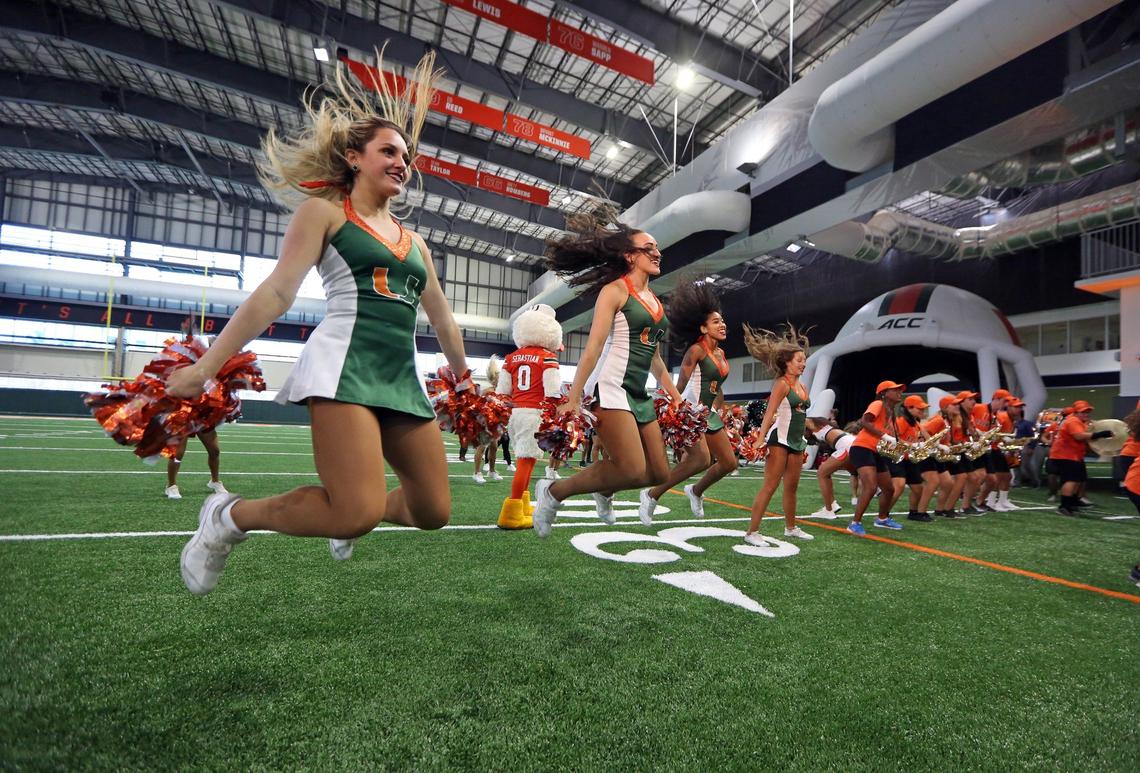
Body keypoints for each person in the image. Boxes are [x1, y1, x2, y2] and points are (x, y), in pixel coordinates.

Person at [167, 50, 471, 594]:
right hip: (343, 369)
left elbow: (442, 318)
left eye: (406, 156)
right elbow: (278, 292)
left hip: (400, 378)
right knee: (354, 511)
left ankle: (349, 514)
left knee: (433, 511)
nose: (402, 162)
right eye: (389, 151)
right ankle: (228, 517)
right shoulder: (324, 214)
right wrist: (208, 366)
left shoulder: (416, 242)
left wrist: (466, 381)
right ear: (355, 157)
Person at [531, 209, 683, 536]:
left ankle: (603, 488)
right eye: (649, 248)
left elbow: (655, 358)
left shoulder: (656, 302)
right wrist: (574, 398)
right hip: (612, 387)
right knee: (630, 467)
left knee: (657, 472)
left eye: (657, 248)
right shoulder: (615, 291)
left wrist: (676, 397)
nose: (657, 253)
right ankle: (553, 492)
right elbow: (595, 346)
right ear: (630, 256)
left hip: (640, 393)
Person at [639, 281, 738, 525]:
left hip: (709, 413)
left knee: (728, 463)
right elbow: (680, 385)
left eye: (722, 320)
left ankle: (695, 491)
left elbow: (717, 386)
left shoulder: (721, 354)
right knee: (700, 460)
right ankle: (651, 494)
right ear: (703, 328)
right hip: (691, 412)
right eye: (716, 322)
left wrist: (722, 410)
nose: (722, 324)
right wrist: (671, 410)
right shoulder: (696, 350)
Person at [741, 324, 815, 545]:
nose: (803, 363)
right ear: (787, 362)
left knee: (791, 487)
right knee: (770, 486)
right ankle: (752, 532)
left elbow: (801, 415)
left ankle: (790, 528)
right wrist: (760, 439)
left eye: (804, 360)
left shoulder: (801, 386)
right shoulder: (781, 385)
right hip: (779, 440)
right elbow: (770, 413)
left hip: (796, 441)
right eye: (799, 360)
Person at [495, 303, 563, 529]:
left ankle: (522, 506)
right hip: (534, 412)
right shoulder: (547, 358)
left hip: (516, 413)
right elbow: (553, 391)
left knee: (526, 459)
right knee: (526, 461)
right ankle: (511, 513)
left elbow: (502, 392)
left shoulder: (511, 358)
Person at [165, 316, 227, 500]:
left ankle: (214, 481)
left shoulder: (213, 369)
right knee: (178, 452)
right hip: (184, 410)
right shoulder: (184, 365)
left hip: (203, 413)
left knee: (214, 450)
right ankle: (171, 485)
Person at [846, 380, 907, 534]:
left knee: (889, 488)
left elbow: (894, 437)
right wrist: (885, 436)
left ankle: (882, 519)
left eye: (900, 390)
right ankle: (854, 523)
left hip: (876, 452)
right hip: (862, 448)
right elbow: (864, 421)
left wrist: (912, 446)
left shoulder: (892, 413)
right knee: (871, 487)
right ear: (884, 393)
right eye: (895, 390)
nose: (899, 392)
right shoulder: (878, 404)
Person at [1049, 400, 1114, 516]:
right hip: (1066, 455)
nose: (1087, 414)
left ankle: (1072, 503)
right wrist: (1100, 434)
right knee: (1071, 480)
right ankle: (1065, 506)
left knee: (1077, 479)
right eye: (1083, 412)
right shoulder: (1073, 421)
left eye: (1088, 411)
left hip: (1071, 455)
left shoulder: (1078, 421)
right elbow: (1078, 436)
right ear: (1076, 412)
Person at [894, 395, 935, 522]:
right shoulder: (902, 421)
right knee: (898, 487)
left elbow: (927, 436)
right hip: (897, 458)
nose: (922, 412)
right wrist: (916, 445)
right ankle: (884, 514)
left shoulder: (915, 422)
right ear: (909, 408)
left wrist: (933, 445)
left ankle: (913, 512)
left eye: (923, 409)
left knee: (918, 488)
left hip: (910, 459)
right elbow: (895, 440)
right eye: (920, 409)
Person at [804, 416, 856, 518]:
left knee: (821, 473)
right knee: (827, 473)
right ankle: (832, 505)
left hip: (846, 446)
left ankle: (828, 510)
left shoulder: (810, 423)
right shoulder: (824, 428)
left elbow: (801, 418)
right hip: (850, 444)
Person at [919, 396, 962, 518]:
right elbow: (923, 429)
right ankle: (920, 512)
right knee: (933, 482)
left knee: (948, 483)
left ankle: (939, 510)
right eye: (953, 405)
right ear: (945, 407)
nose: (957, 406)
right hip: (928, 454)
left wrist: (950, 446)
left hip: (937, 455)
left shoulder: (949, 421)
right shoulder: (939, 420)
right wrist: (936, 444)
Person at [472, 358, 503, 485]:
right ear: (494, 379)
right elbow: (478, 406)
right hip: (484, 423)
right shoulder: (488, 391)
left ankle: (491, 470)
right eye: (499, 379)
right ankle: (477, 473)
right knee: (482, 447)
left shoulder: (502, 393)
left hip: (495, 424)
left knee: (494, 447)